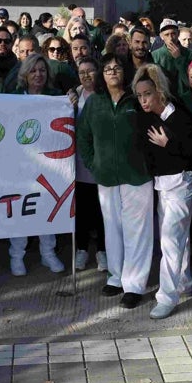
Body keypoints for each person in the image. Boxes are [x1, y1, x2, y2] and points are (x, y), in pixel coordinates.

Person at [78, 54, 154, 309]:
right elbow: (83, 137)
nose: (112, 71)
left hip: (137, 175)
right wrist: (93, 165)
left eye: (117, 67)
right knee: (112, 229)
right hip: (107, 177)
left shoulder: (136, 99)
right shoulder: (94, 102)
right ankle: (116, 277)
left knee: (137, 231)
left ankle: (134, 285)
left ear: (125, 72)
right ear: (102, 73)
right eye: (107, 68)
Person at [132, 64, 192, 320]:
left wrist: (168, 143)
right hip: (162, 184)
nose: (143, 100)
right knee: (173, 236)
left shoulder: (178, 114)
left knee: (171, 238)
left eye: (147, 93)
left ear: (159, 91)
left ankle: (167, 297)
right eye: (139, 95)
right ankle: (183, 281)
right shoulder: (146, 117)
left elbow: (191, 151)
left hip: (182, 182)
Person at [9, 54, 66, 275]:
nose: (38, 74)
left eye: (42, 70)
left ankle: (48, 253)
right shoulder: (14, 97)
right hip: (21, 163)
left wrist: (68, 101)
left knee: (46, 207)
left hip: (48, 164)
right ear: (25, 74)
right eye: (33, 70)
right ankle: (17, 255)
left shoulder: (55, 97)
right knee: (21, 209)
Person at [70, 57, 107, 273]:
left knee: (102, 210)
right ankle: (81, 249)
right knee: (82, 209)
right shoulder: (73, 95)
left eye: (90, 71)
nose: (86, 75)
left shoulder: (103, 95)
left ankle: (102, 250)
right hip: (79, 163)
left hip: (101, 162)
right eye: (81, 72)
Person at [152, 18, 191, 96]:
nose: (170, 38)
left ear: (178, 33)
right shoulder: (155, 55)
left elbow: (191, 80)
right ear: (161, 36)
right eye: (167, 35)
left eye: (173, 33)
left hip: (186, 98)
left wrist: (179, 58)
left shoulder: (190, 53)